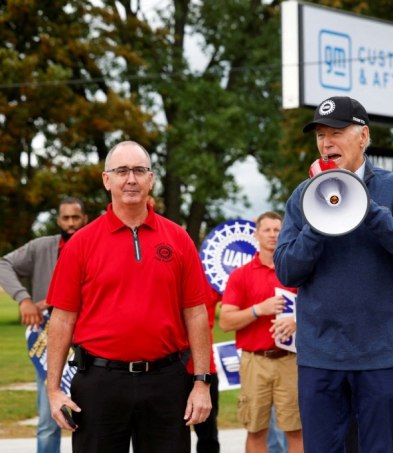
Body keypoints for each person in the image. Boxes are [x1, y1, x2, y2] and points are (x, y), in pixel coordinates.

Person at [274, 96, 393, 453]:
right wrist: (318, 219)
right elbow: (287, 270)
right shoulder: (303, 196)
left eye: (336, 132)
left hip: (382, 353)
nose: (326, 142)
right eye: (320, 134)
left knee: (379, 448)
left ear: (363, 136)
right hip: (321, 354)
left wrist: (368, 209)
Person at [45, 141, 212, 453]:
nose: (131, 179)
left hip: (166, 381)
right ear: (107, 179)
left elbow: (196, 313)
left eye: (139, 170)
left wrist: (201, 383)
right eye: (121, 171)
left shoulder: (178, 239)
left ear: (151, 179)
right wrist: (53, 388)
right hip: (99, 383)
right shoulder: (80, 244)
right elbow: (62, 318)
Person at [0, 197, 88, 453]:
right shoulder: (42, 247)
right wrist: (23, 299)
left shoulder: (97, 246)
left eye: (75, 218)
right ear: (59, 220)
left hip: (92, 347)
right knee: (49, 423)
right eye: (65, 218)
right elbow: (3, 263)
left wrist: (51, 299)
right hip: (51, 347)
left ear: (85, 219)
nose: (70, 223)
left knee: (95, 421)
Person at [220, 211, 303, 453]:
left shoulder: (296, 272)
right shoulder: (240, 275)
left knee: (296, 430)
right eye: (267, 230)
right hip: (255, 361)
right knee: (256, 430)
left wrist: (297, 321)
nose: (272, 235)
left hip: (290, 360)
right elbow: (225, 322)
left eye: (277, 230)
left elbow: (318, 312)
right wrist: (258, 309)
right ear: (256, 235)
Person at [189, 285, 222, 453]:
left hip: (205, 366)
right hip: (170, 365)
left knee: (208, 434)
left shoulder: (211, 274)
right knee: (170, 434)